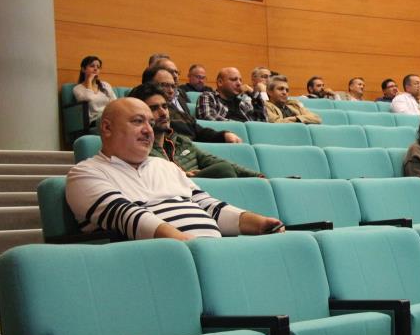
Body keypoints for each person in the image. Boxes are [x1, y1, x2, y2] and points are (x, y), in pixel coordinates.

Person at [66, 97, 283, 240]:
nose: (148, 131)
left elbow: (209, 206)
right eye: (138, 121)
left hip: (210, 254)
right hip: (159, 263)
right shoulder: (85, 173)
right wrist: (194, 247)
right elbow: (129, 218)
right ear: (106, 128)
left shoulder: (165, 166)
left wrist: (259, 223)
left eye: (151, 124)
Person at [130, 83, 264, 179]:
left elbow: (215, 161)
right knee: (224, 170)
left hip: (201, 195)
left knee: (224, 167)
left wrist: (258, 176)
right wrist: (183, 176)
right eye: (154, 108)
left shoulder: (181, 141)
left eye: (165, 107)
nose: (163, 113)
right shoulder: (139, 150)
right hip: (175, 196)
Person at [141, 65, 241, 143]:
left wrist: (224, 135)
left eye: (173, 86)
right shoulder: (143, 112)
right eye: (164, 85)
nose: (171, 91)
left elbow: (199, 131)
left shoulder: (178, 112)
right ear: (148, 86)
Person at [197, 67, 268, 122]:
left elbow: (262, 122)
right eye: (234, 79)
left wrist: (253, 94)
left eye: (240, 80)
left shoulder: (243, 102)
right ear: (220, 82)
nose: (239, 83)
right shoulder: (208, 96)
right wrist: (240, 127)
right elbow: (208, 117)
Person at [72, 55, 117, 125]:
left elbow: (115, 103)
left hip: (109, 117)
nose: (95, 69)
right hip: (94, 120)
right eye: (92, 66)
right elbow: (89, 98)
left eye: (98, 67)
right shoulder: (78, 89)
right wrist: (89, 80)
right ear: (83, 69)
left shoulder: (105, 85)